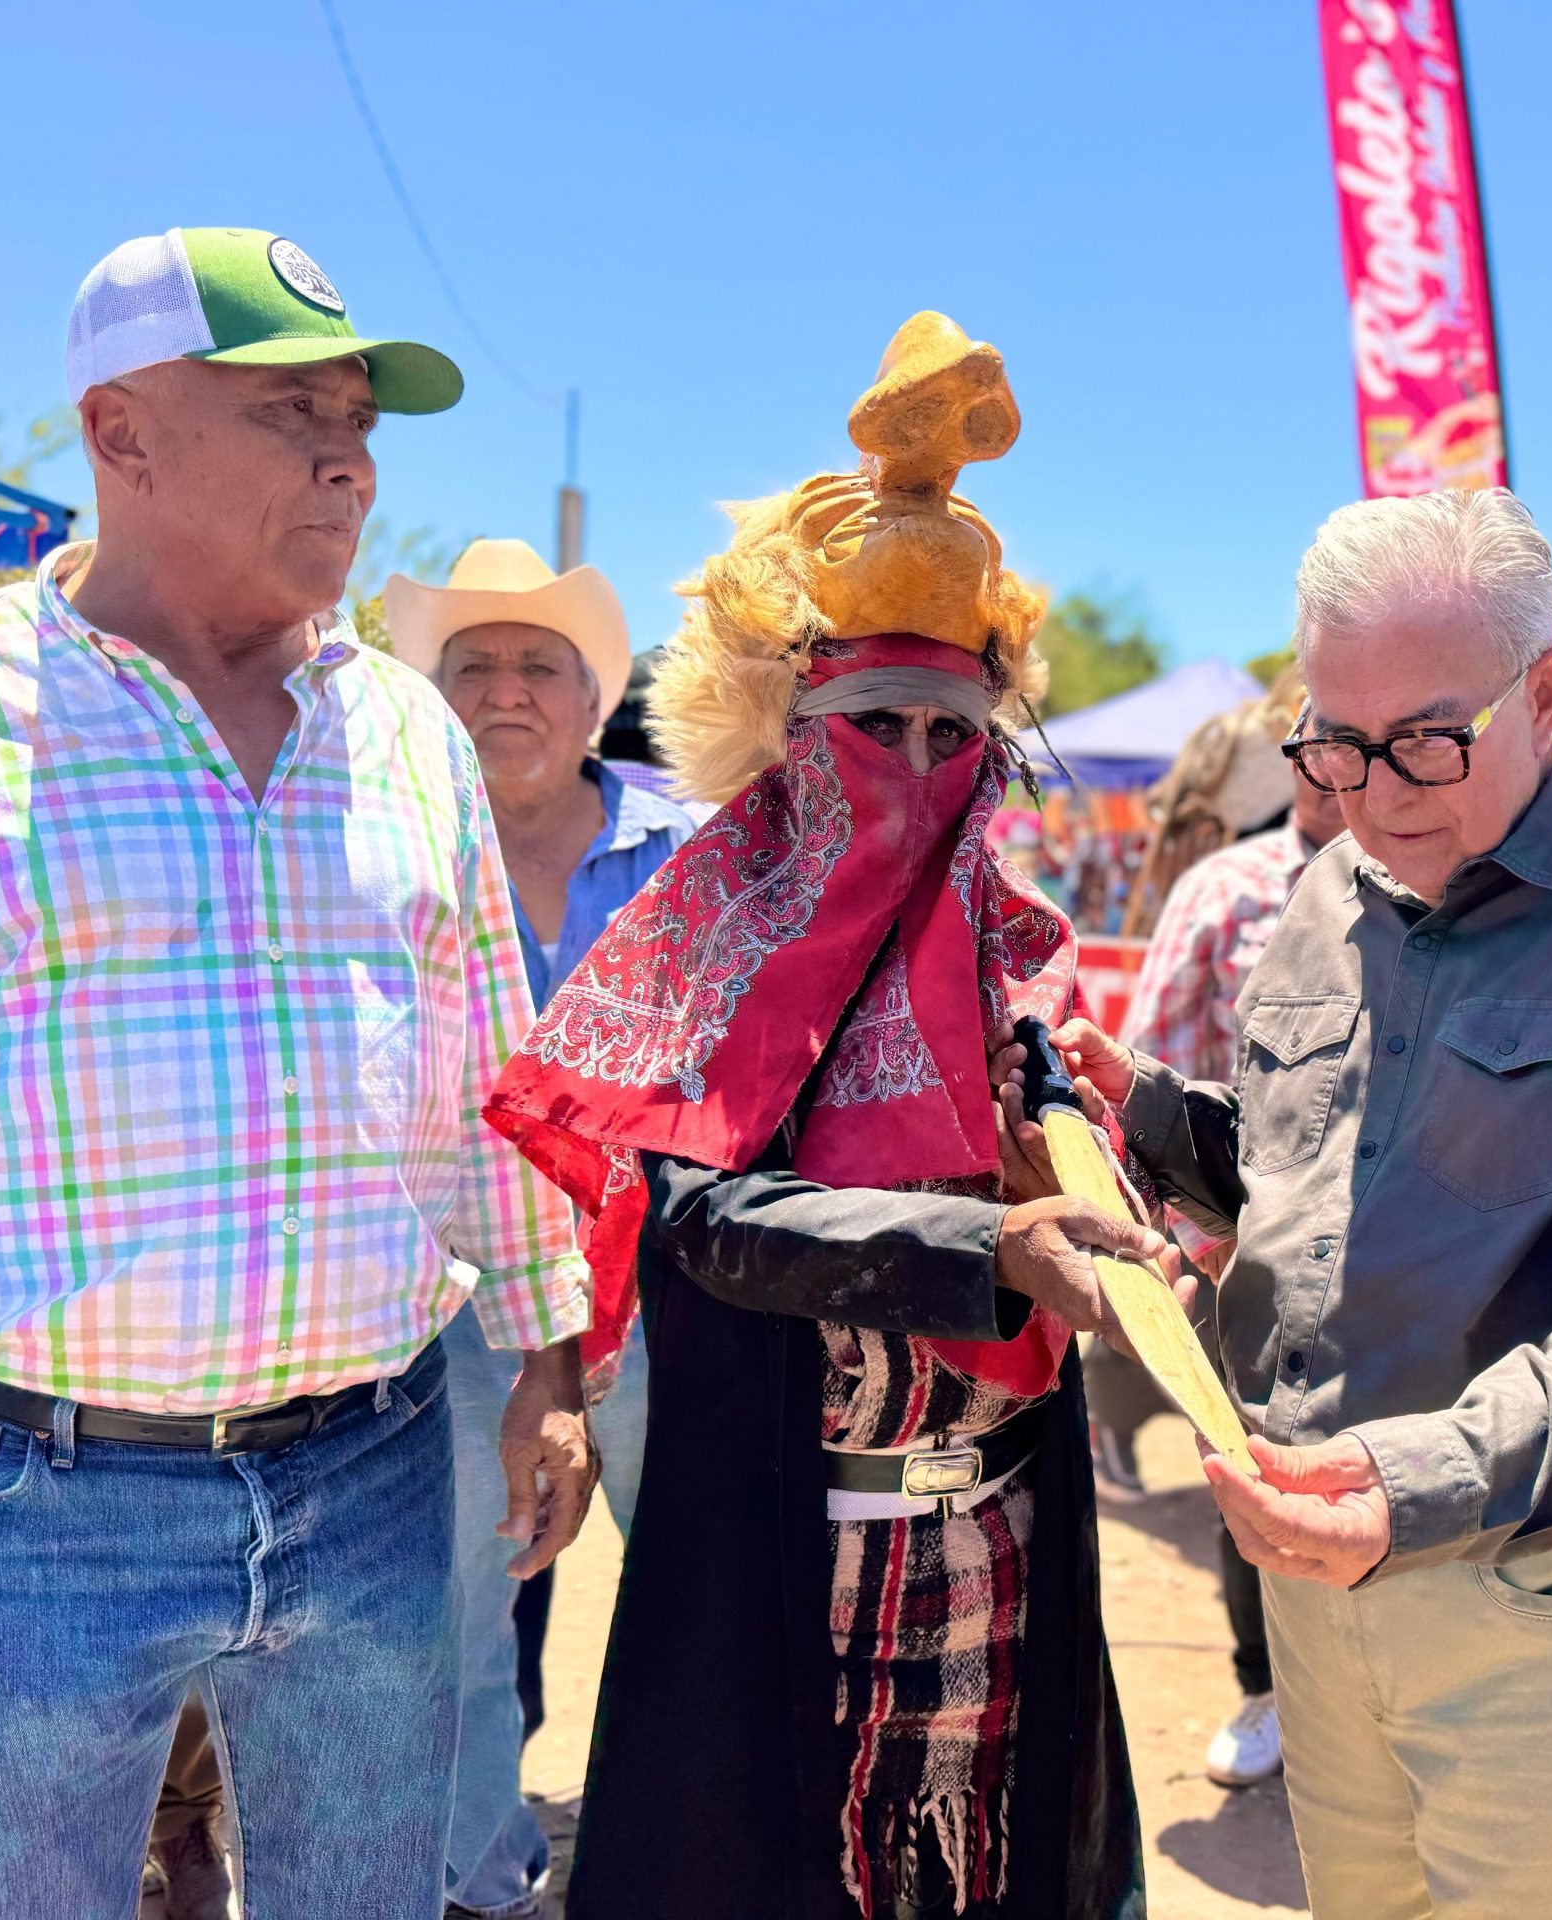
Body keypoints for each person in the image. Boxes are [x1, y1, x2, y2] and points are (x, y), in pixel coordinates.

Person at [0, 227, 595, 1919]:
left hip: (373, 1473)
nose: (349, 459)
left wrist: (550, 1361)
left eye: (361, 420)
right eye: (292, 410)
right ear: (122, 433)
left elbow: (482, 1081)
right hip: (21, 1510)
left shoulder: (406, 730)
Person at [1007, 487, 1552, 1918]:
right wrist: (1150, 1114)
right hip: (1319, 1581)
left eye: (1426, 740)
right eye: (1335, 745)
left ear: (1549, 693)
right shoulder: (1332, 895)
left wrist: (1420, 1484)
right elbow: (1326, 1180)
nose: (1377, 793)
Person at [487, 312, 1150, 1919]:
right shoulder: (714, 928)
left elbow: (1040, 1124)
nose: (917, 763)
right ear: (796, 733)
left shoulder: (994, 938)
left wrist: (1078, 1134)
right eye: (878, 725)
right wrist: (989, 1250)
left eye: (951, 732)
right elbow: (704, 1215)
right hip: (797, 1529)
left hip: (1000, 1516)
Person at [389, 536, 693, 1919]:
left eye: (536, 665)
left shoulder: (693, 852)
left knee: (695, 1584)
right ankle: (478, 1873)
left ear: (592, 698)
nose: (504, 691)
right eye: (473, 666)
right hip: (458, 1300)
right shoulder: (389, 850)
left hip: (674, 1289)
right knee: (457, 1605)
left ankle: (683, 1855)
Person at [1099, 670, 1341, 1791]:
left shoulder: (1446, 885)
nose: (1338, 765)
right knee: (1254, 1470)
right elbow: (1148, 1066)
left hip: (1403, 1251)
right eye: (1318, 742)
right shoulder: (1225, 890)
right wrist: (1194, 1244)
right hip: (1243, 1248)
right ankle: (1266, 1687)